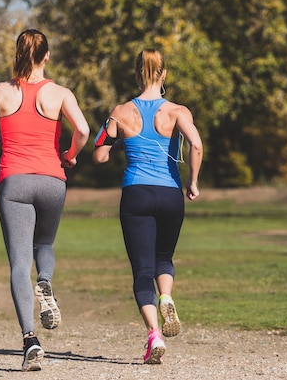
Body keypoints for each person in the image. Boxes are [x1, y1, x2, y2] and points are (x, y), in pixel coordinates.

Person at [0, 29, 90, 371]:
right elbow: (83, 130)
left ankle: (29, 340)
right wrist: (69, 154)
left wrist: (1, 141)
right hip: (52, 180)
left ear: (17, 54)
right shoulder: (59, 93)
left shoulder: (1, 92)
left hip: (14, 183)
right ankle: (46, 280)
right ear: (47, 55)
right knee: (45, 242)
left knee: (17, 263)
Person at [92, 49, 203, 364]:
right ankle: (166, 296)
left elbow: (99, 154)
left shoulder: (120, 112)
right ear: (164, 74)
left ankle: (154, 334)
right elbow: (196, 143)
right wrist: (192, 182)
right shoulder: (179, 111)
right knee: (163, 258)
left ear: (137, 74)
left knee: (142, 270)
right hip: (170, 194)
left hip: (136, 194)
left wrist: (111, 135)